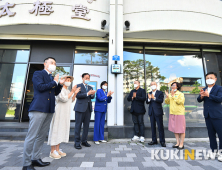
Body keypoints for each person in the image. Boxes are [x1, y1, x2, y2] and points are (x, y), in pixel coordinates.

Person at [22, 57, 65, 170]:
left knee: (41, 136)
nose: (53, 65)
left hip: (49, 109)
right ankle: (26, 164)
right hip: (38, 108)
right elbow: (40, 87)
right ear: (45, 64)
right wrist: (54, 82)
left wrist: (59, 84)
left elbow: (55, 92)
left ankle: (35, 159)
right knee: (32, 136)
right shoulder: (38, 73)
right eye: (51, 62)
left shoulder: (51, 77)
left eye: (55, 63)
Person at [47, 75, 80, 159]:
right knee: (56, 129)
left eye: (70, 80)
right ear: (63, 80)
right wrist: (72, 92)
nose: (68, 81)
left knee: (61, 130)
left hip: (65, 113)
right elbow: (64, 99)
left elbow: (71, 100)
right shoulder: (59, 89)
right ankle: (52, 151)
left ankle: (57, 149)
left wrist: (75, 93)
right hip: (59, 112)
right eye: (67, 79)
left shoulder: (68, 90)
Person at [197, 72, 222, 161]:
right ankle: (213, 151)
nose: (209, 79)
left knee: (221, 134)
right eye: (207, 78)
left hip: (217, 115)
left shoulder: (219, 88)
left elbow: (220, 98)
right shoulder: (204, 88)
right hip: (207, 115)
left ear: (215, 79)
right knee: (211, 135)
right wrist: (202, 96)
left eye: (211, 77)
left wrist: (208, 95)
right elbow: (198, 99)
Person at [74, 73, 96, 149]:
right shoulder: (78, 86)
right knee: (78, 126)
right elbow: (78, 96)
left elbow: (92, 97)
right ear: (82, 78)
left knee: (86, 126)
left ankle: (84, 141)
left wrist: (93, 94)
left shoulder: (90, 87)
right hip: (80, 108)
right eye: (86, 78)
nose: (87, 79)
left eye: (88, 78)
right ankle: (77, 142)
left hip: (88, 109)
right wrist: (87, 93)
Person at [165, 82, 185, 150]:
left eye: (174, 85)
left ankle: (181, 144)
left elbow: (180, 102)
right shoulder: (171, 94)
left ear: (177, 87)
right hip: (172, 113)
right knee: (175, 129)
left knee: (181, 129)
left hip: (179, 113)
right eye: (172, 85)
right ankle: (177, 142)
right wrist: (167, 96)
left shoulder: (180, 94)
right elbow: (167, 102)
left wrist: (173, 96)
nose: (172, 86)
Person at [146, 82, 166, 147]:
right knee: (152, 127)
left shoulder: (160, 92)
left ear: (156, 85)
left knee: (160, 127)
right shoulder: (149, 93)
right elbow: (147, 102)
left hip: (158, 112)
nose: (152, 85)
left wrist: (154, 98)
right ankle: (154, 140)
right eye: (151, 84)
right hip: (151, 112)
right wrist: (149, 98)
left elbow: (161, 100)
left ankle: (162, 141)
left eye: (154, 84)